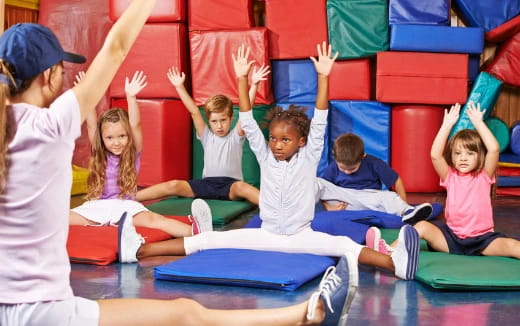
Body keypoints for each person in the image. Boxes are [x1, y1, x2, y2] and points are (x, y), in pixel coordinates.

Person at [0, 1, 356, 325]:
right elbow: (116, 47)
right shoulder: (50, 125)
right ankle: (306, 314)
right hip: (44, 311)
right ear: (49, 76)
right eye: (60, 70)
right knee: (186, 313)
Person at [122, 44, 420, 289]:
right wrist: (241, 78)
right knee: (207, 240)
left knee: (344, 245)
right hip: (266, 234)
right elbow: (248, 121)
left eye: (285, 140)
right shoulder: (265, 157)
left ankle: (398, 263)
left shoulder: (308, 156)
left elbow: (320, 118)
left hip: (301, 237)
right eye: (274, 138)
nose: (277, 144)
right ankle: (138, 250)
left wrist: (324, 77)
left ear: (301, 141)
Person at [367, 101, 520, 259]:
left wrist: (478, 123)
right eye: (458, 153)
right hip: (452, 240)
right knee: (421, 227)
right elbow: (435, 155)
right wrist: (446, 125)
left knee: (513, 246)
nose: (463, 158)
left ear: (479, 156)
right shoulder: (449, 176)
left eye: (470, 154)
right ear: (451, 157)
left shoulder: (484, 176)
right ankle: (386, 253)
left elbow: (493, 149)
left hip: (483, 241)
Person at [68, 71, 201, 237]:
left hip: (126, 206)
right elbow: (91, 125)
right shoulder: (100, 152)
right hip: (98, 207)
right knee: (61, 219)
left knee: (158, 222)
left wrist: (131, 97)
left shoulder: (132, 152)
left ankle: (201, 235)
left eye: (122, 136)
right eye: (110, 138)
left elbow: (135, 124)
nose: (116, 142)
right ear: (102, 139)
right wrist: (86, 93)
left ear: (128, 135)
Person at [135, 64, 270, 205]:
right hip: (206, 185)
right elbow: (194, 111)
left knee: (243, 187)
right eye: (214, 121)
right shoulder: (206, 136)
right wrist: (179, 87)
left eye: (223, 120)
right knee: (173, 185)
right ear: (209, 121)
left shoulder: (235, 137)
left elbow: (245, 111)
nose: (219, 125)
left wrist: (254, 84)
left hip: (231, 186)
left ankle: (273, 207)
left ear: (231, 119)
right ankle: (130, 198)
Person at [316, 133, 433, 225]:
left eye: (352, 169)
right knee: (317, 183)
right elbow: (325, 191)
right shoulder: (333, 167)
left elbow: (396, 181)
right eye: (342, 168)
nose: (347, 172)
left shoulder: (374, 163)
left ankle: (407, 211)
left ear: (363, 156)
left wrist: (403, 202)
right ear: (335, 157)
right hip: (345, 201)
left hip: (370, 198)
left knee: (389, 196)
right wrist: (329, 207)